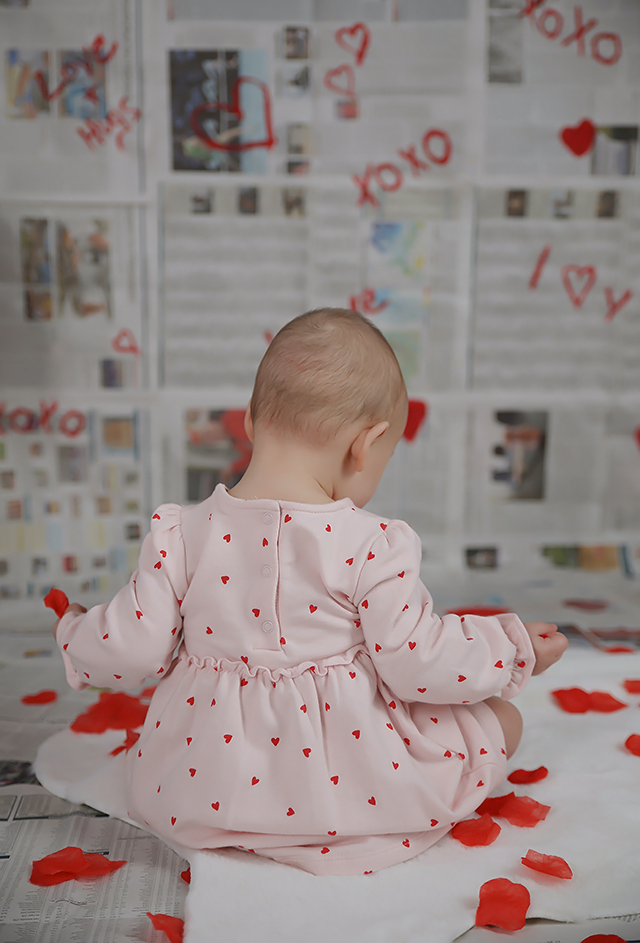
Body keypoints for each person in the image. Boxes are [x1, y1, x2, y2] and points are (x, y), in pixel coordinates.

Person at [53, 308, 568, 876]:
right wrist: (512, 647)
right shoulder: (373, 544)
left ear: (251, 421)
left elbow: (131, 647)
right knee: (501, 721)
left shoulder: (181, 533)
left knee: (178, 770)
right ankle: (337, 820)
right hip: (346, 783)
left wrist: (75, 630)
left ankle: (236, 819)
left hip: (198, 787)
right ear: (365, 446)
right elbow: (418, 661)